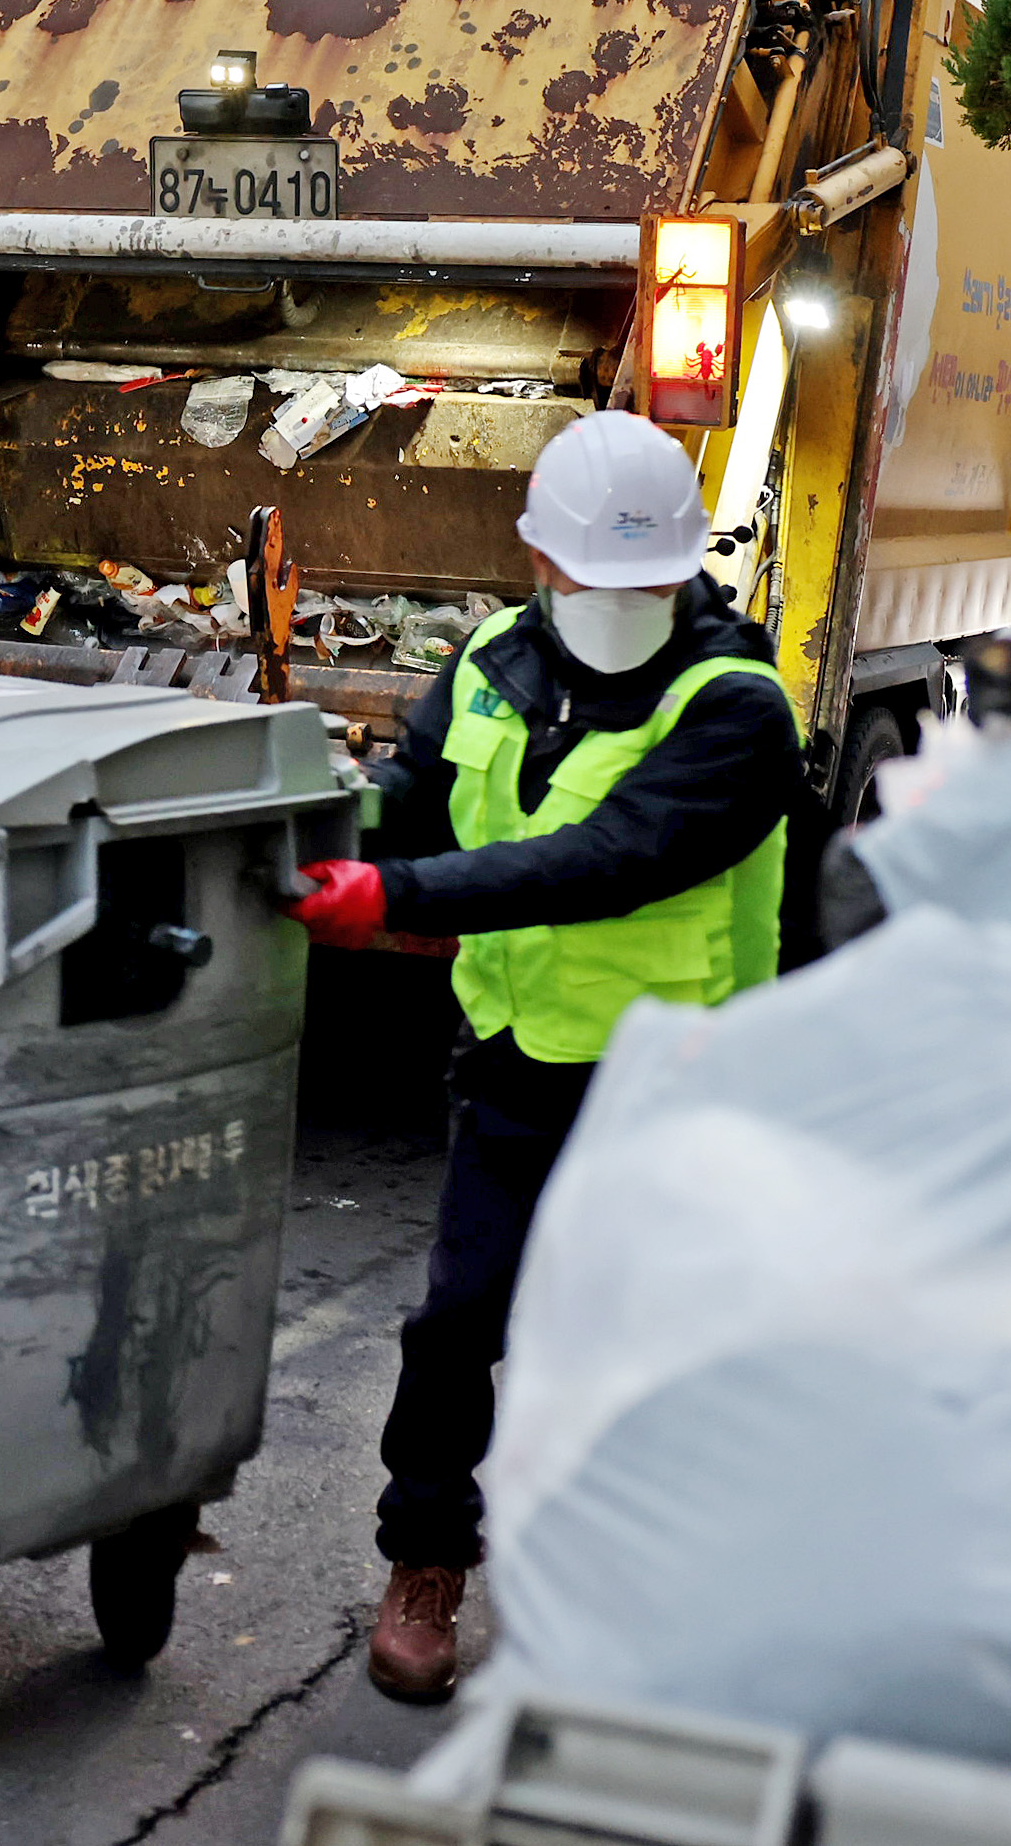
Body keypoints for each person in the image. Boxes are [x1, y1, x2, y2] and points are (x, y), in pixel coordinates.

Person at [283, 410, 806, 1701]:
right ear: (540, 561)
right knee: (459, 1322)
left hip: (673, 1085)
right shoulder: (488, 664)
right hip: (516, 1062)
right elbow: (411, 787)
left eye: (642, 579)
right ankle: (426, 1563)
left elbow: (608, 860)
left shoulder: (737, 710)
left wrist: (393, 896)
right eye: (592, 573)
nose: (614, 597)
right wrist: (307, 827)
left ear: (683, 572)